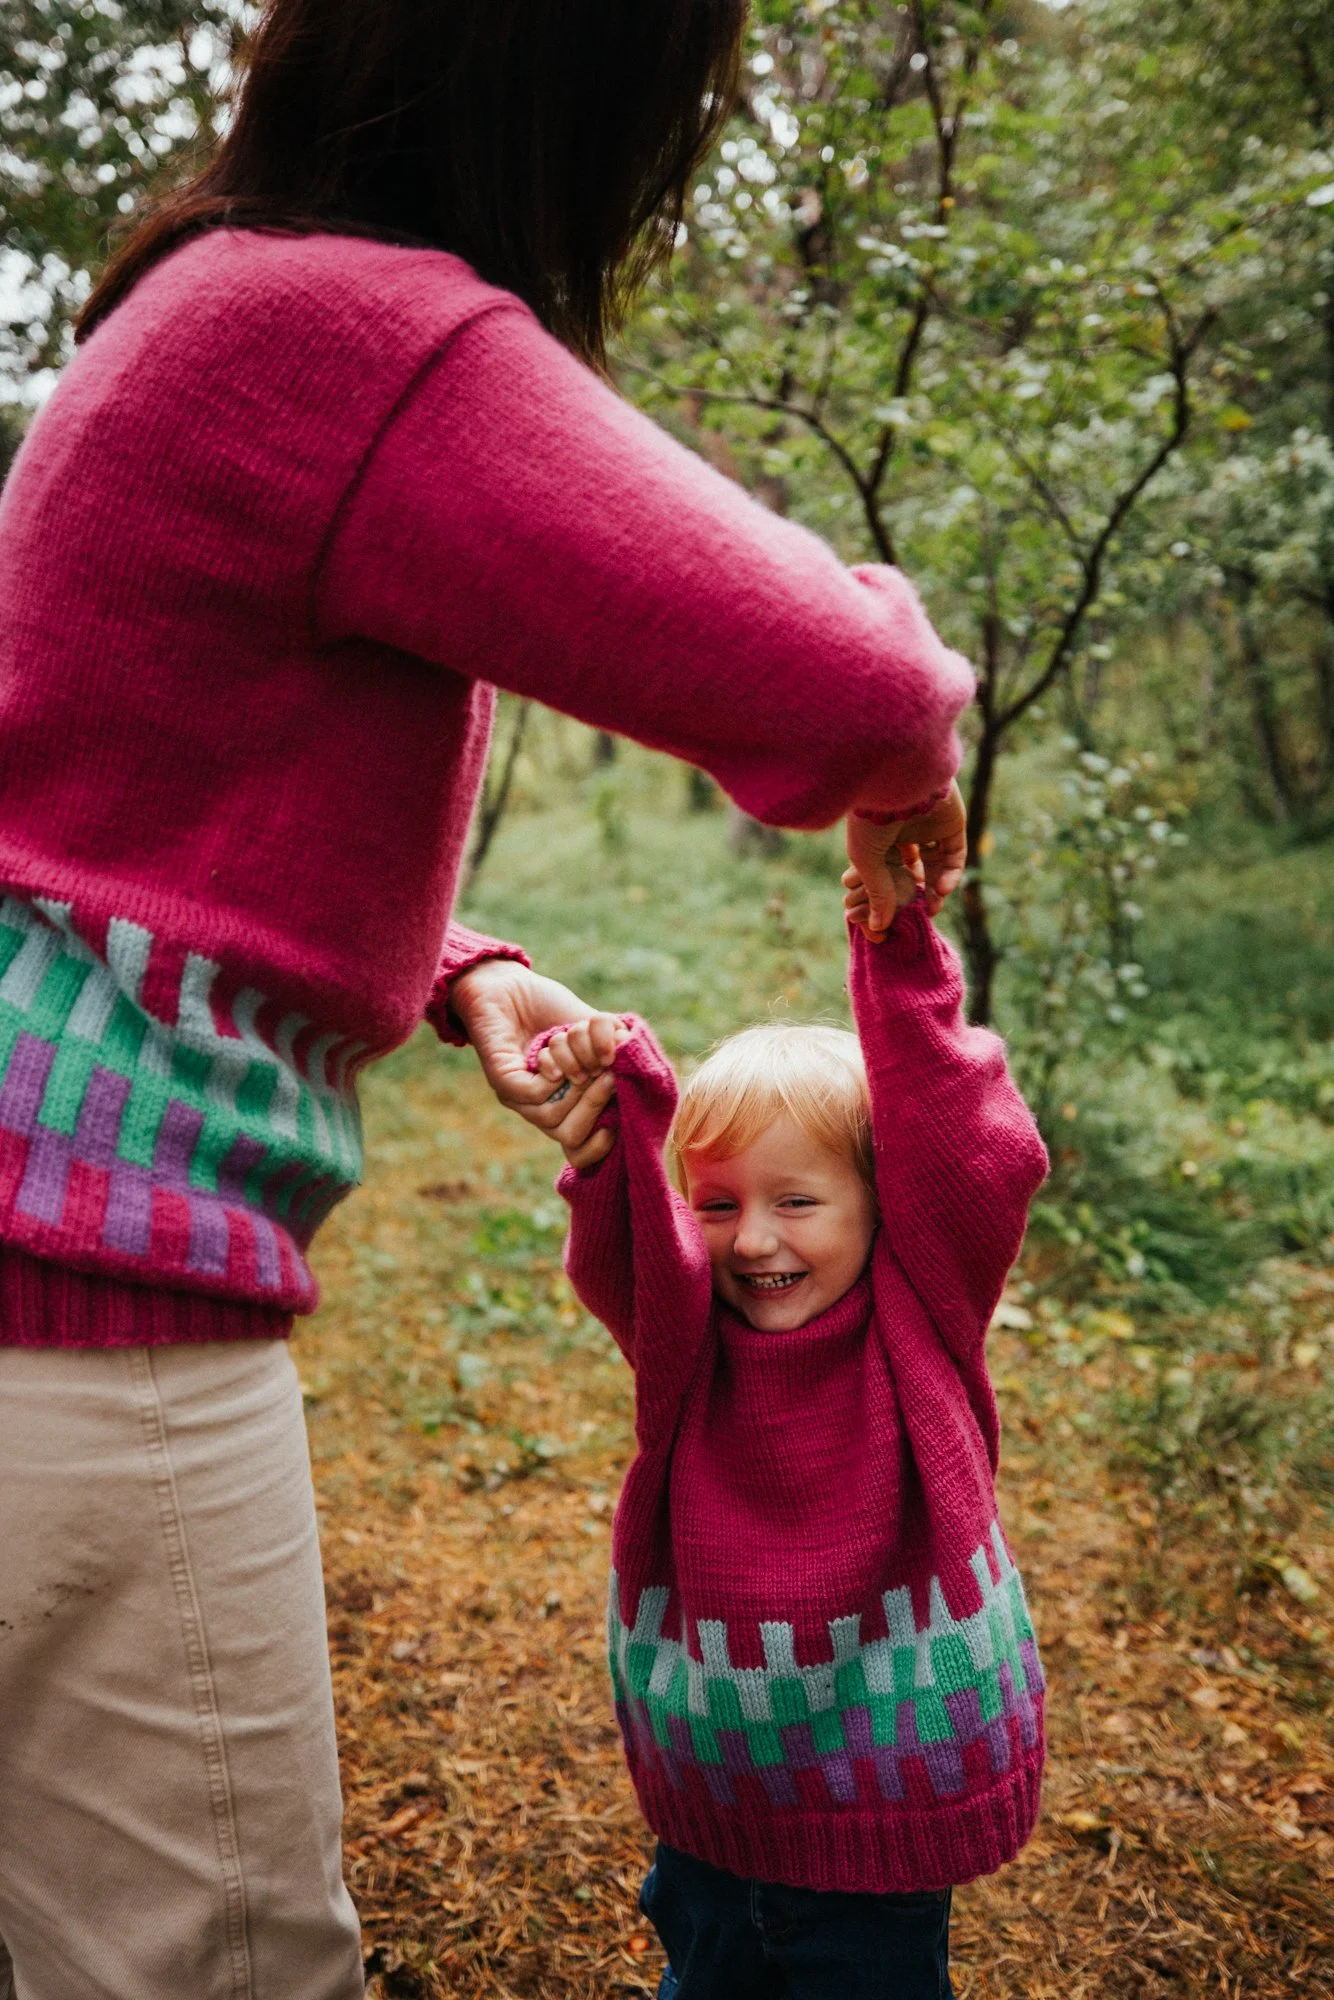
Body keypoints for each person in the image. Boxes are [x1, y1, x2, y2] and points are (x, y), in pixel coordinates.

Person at [0, 2, 978, 1993]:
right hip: (75, 1308)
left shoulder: (193, 304)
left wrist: (455, 965)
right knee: (214, 1960)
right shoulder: (357, 330)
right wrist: (912, 738)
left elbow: (102, 790)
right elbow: (851, 687)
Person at [534, 790, 1049, 1999]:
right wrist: (612, 1127)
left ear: (884, 1205)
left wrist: (896, 936)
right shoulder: (686, 1344)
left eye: (798, 1200)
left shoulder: (919, 1316)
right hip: (709, 1818)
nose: (751, 1238)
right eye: (714, 1202)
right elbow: (629, 1249)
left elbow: (969, 1143)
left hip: (883, 1827)